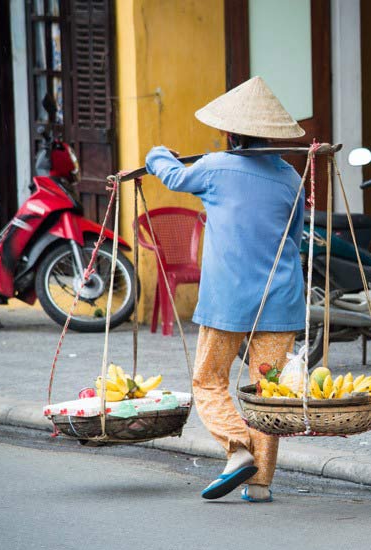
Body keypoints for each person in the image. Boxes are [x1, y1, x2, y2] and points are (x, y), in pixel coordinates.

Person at [145, 76, 307, 501]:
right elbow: (296, 236)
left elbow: (173, 177)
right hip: (280, 297)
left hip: (228, 299)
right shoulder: (291, 178)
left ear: (232, 134)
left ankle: (237, 448)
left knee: (208, 380)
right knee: (266, 392)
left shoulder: (215, 166)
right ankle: (260, 484)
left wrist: (156, 154)